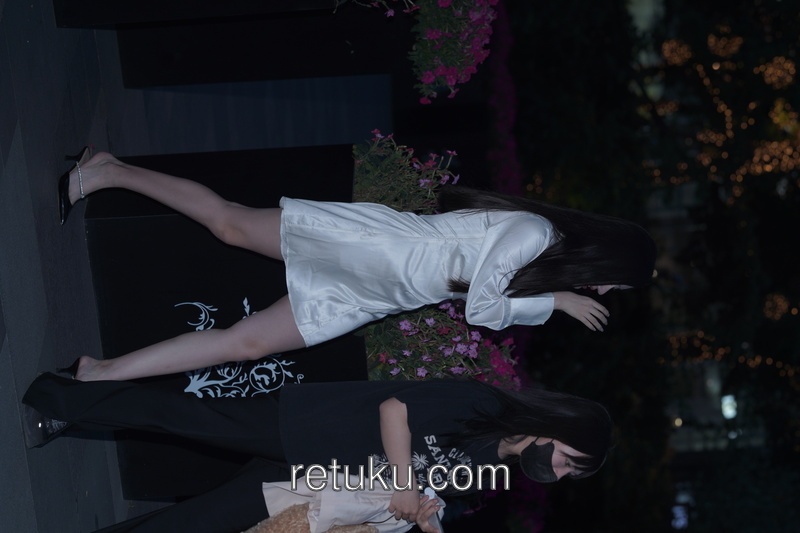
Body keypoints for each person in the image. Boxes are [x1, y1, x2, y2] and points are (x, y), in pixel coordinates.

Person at [59, 151, 656, 382]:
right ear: (605, 254)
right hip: (373, 249)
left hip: (377, 295)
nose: (603, 290)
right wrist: (554, 302)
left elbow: (481, 299)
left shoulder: (539, 255)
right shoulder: (534, 233)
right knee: (229, 223)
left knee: (246, 345)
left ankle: (101, 372)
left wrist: (549, 298)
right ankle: (110, 171)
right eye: (613, 279)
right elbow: (480, 307)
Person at [23, 374, 613, 533]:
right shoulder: (482, 404)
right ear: (559, 425)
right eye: (569, 458)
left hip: (312, 485)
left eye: (569, 473)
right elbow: (394, 411)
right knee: (179, 416)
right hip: (306, 429)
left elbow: (425, 491)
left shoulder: (491, 469)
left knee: (198, 523)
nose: (558, 472)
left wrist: (426, 515)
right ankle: (61, 399)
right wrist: (406, 485)